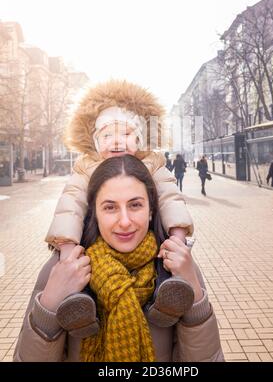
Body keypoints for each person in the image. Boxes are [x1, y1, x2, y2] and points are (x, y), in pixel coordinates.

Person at [13, 155, 224, 362]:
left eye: (135, 205)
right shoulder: (64, 268)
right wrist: (48, 307)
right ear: (94, 212)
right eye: (110, 207)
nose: (124, 222)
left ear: (151, 210)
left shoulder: (177, 266)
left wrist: (195, 298)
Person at [44, 80, 194, 335]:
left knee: (163, 267)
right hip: (95, 246)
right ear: (94, 141)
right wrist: (67, 250)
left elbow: (171, 198)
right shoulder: (86, 167)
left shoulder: (152, 164)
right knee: (84, 273)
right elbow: (70, 206)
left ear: (139, 139)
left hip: (152, 246)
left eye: (125, 135)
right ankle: (79, 308)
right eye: (106, 136)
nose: (116, 142)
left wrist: (177, 237)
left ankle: (166, 299)